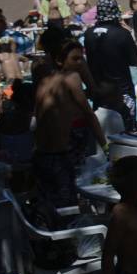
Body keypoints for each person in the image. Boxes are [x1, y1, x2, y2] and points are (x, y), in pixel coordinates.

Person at [33, 39, 106, 209]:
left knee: (49, 208)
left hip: (40, 157)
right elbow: (89, 114)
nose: (80, 63)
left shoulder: (44, 82)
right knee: (68, 207)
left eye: (82, 59)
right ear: (60, 61)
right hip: (59, 157)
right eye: (75, 59)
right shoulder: (72, 78)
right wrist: (106, 146)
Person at [85, 0, 137, 131]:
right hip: (121, 91)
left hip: (99, 91)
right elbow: (135, 61)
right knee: (127, 130)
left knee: (101, 129)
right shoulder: (122, 34)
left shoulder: (88, 34)